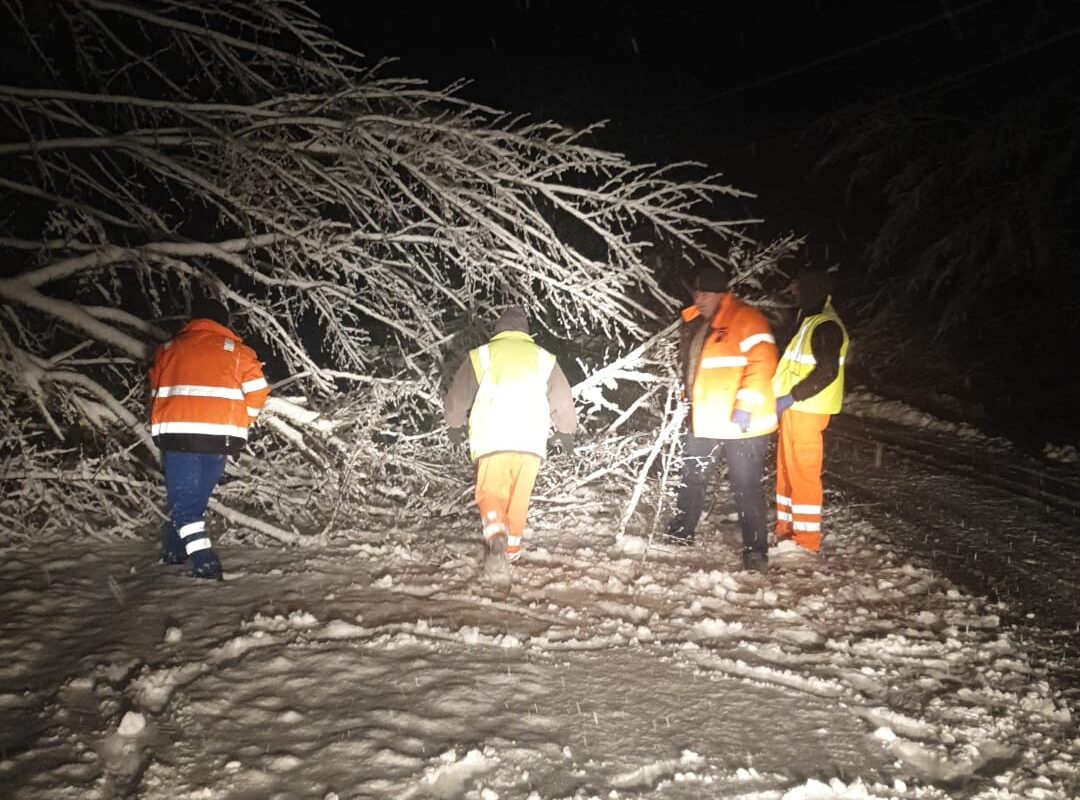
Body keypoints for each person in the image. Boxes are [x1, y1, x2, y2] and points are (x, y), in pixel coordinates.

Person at [443, 306, 578, 580]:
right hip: (530, 441)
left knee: (491, 492)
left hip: (492, 437)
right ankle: (511, 553)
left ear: (498, 329)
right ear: (526, 332)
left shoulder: (482, 356)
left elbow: (458, 394)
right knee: (519, 498)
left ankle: (495, 538)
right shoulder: (543, 358)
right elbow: (562, 397)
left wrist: (454, 424)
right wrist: (566, 431)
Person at [148, 295, 270, 580]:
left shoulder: (169, 349)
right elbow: (259, 391)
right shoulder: (237, 352)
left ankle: (204, 562)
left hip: (179, 437)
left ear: (195, 320)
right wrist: (241, 420)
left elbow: (156, 388)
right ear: (223, 323)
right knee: (194, 501)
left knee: (185, 505)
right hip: (219, 441)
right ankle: (174, 552)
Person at [667, 268, 779, 573]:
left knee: (745, 486)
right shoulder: (699, 325)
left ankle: (756, 552)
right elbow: (694, 367)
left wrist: (745, 405)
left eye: (704, 293)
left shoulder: (746, 319)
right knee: (693, 476)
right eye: (696, 293)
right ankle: (680, 533)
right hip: (706, 419)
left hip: (744, 424)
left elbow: (763, 364)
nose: (698, 299)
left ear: (720, 294)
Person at [772, 265, 849, 553]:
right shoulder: (810, 321)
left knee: (803, 473)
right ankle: (787, 530)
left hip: (806, 409)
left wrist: (793, 396)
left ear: (813, 289)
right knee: (787, 472)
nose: (793, 291)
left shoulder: (826, 325)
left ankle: (805, 542)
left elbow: (827, 370)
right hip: (795, 412)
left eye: (798, 287)